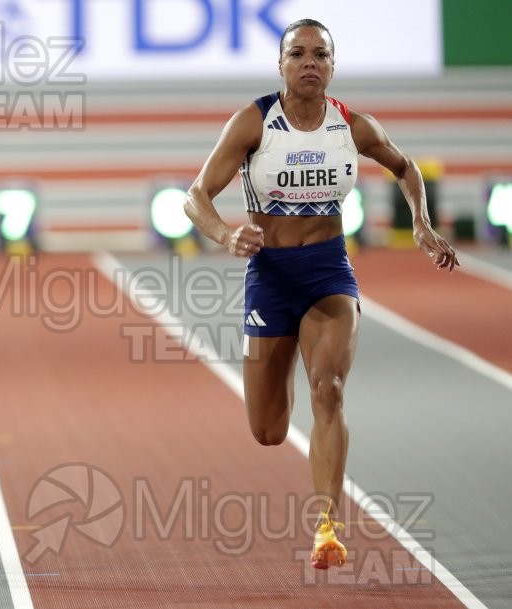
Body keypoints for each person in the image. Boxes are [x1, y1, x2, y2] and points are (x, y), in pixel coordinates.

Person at [184, 18, 458, 569]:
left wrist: (422, 225)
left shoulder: (352, 126)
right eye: (298, 54)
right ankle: (279, 375)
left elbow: (406, 169)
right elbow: (196, 195)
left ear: (332, 66)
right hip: (270, 276)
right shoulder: (254, 122)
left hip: (328, 271)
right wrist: (224, 233)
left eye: (320, 55)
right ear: (281, 65)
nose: (310, 63)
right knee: (267, 429)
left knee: (328, 388)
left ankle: (326, 526)